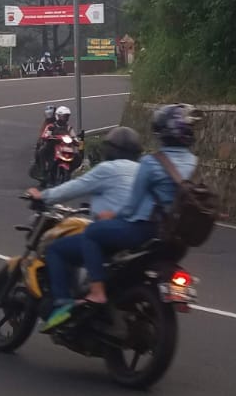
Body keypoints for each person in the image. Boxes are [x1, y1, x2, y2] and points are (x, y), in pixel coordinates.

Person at [41, 104, 199, 332]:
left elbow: (132, 206)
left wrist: (112, 215)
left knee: (92, 233)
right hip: (176, 237)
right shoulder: (193, 162)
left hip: (146, 228)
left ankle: (96, 292)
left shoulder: (152, 163)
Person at [32, 127, 145, 330]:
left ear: (110, 150)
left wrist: (43, 196)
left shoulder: (108, 169)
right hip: (141, 236)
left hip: (113, 233)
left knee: (56, 250)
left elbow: (74, 187)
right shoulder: (143, 171)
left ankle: (63, 304)